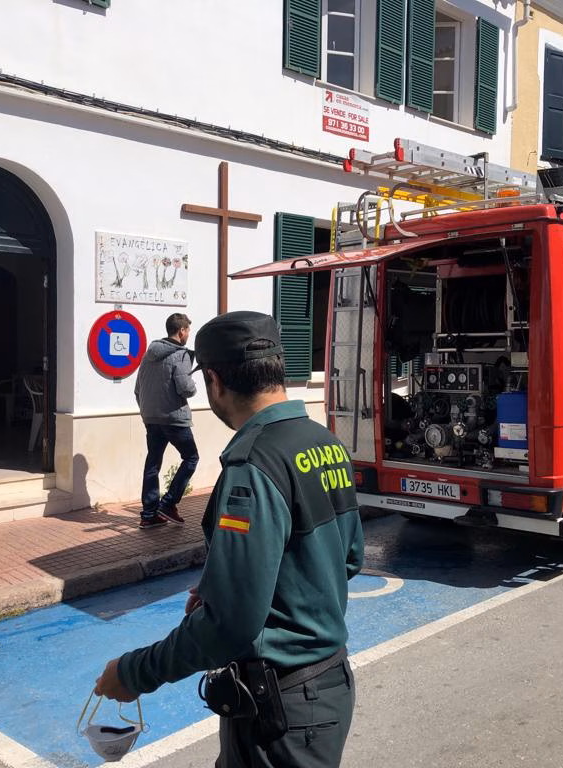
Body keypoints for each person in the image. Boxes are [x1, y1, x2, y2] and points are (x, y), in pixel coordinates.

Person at [97, 310, 364, 768]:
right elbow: (348, 558)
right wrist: (227, 585)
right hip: (326, 686)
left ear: (215, 380)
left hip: (280, 708)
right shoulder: (324, 442)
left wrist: (132, 672)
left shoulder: (254, 464)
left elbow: (231, 625)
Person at [134, 312, 199, 529]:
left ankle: (149, 514)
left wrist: (147, 410)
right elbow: (186, 389)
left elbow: (137, 389)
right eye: (188, 330)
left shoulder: (148, 355)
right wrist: (193, 384)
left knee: (153, 463)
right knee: (191, 457)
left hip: (151, 418)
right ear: (181, 331)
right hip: (173, 418)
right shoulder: (179, 355)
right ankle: (168, 503)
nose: (188, 334)